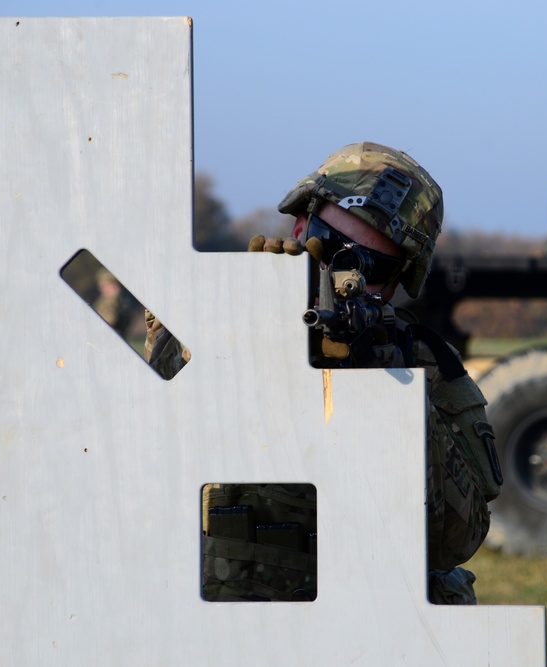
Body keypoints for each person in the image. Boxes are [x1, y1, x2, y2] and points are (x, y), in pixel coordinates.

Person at [148, 142, 502, 604]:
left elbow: (458, 539)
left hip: (353, 598)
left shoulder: (421, 361)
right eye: (329, 244)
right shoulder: (202, 316)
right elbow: (140, 450)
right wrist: (239, 332)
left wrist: (376, 381)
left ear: (396, 283)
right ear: (300, 225)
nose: (339, 273)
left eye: (368, 266)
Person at [92, 269, 131, 336]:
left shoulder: (114, 301)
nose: (101, 288)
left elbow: (110, 320)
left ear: (114, 286)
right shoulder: (105, 299)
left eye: (104, 285)